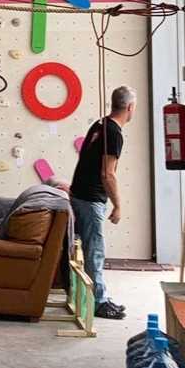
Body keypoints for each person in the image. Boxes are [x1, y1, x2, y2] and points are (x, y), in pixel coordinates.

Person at [69, 85, 136, 320]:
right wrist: (118, 205)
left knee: (87, 249)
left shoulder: (99, 124)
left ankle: (96, 296)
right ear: (130, 108)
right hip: (90, 199)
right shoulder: (114, 133)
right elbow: (107, 174)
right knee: (94, 251)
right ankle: (99, 302)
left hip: (79, 194)